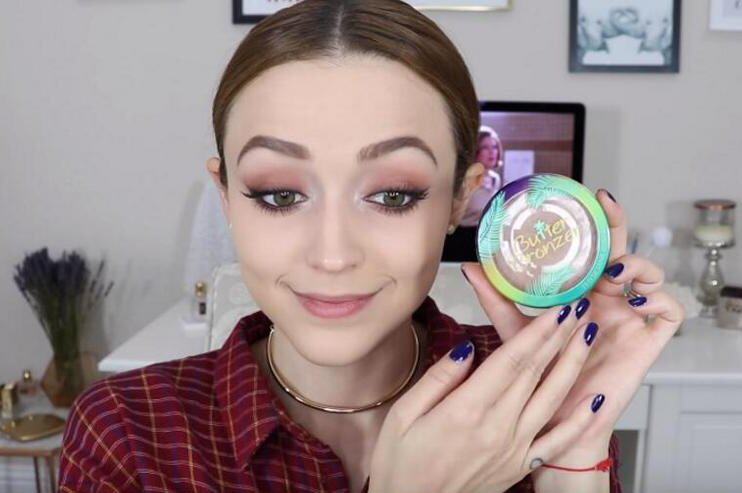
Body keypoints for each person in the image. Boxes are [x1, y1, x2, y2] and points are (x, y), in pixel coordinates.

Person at [58, 1, 685, 492]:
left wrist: (573, 443)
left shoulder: (538, 391)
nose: (333, 255)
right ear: (226, 197)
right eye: (279, 194)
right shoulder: (128, 432)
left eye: (392, 195)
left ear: (461, 199)